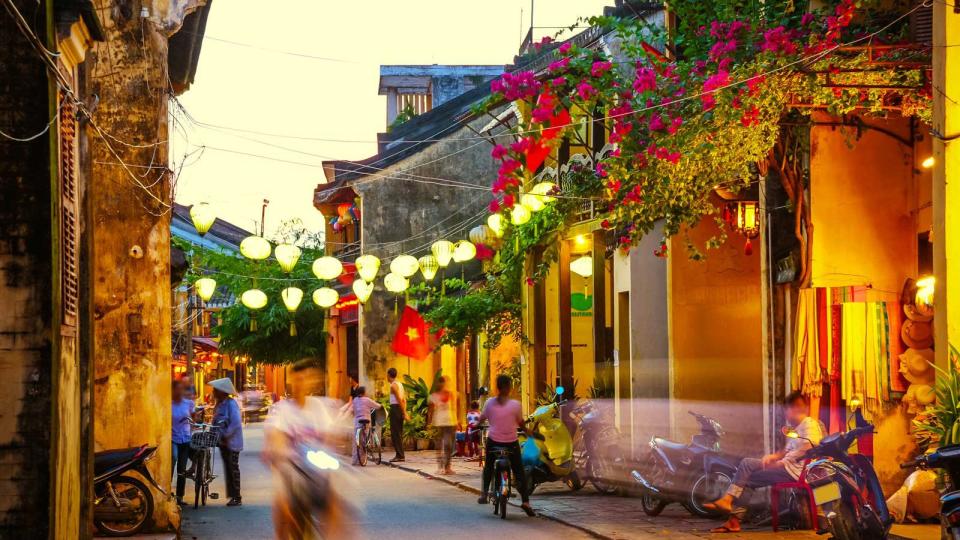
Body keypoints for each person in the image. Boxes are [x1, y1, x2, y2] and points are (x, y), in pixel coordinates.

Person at [706, 391, 824, 533]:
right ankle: (732, 517)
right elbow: (786, 451)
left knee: (747, 463)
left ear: (795, 408)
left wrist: (780, 463)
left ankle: (728, 503)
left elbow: (810, 446)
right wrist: (773, 457)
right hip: (787, 467)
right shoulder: (797, 428)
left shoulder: (809, 424)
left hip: (793, 471)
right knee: (747, 477)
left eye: (787, 410)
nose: (786, 414)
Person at [264, 361, 351, 540]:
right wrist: (279, 449)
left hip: (316, 469)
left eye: (306, 379)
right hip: (291, 468)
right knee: (283, 507)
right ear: (291, 381)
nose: (301, 383)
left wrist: (336, 439)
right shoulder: (282, 410)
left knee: (337, 505)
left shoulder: (320, 407)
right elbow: (275, 436)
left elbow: (331, 433)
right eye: (298, 379)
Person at [477, 374, 535, 517]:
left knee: (489, 467)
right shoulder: (515, 405)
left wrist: (477, 424)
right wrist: (528, 432)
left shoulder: (489, 403)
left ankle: (484, 494)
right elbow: (521, 423)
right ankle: (526, 502)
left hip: (494, 442)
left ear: (497, 387)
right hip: (511, 443)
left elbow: (482, 418)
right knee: (519, 471)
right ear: (509, 387)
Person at [209, 377, 244, 507]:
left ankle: (237, 496)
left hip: (232, 442)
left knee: (233, 468)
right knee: (228, 469)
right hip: (223, 442)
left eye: (215, 390)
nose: (213, 392)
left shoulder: (231, 404)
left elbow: (235, 423)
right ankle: (233, 496)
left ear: (222, 391)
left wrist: (226, 437)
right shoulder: (220, 404)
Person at [171, 379, 194, 505]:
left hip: (185, 438)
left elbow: (193, 417)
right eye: (177, 389)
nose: (180, 391)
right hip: (173, 438)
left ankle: (180, 496)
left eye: (181, 389)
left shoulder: (188, 403)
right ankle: (167, 492)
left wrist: (193, 424)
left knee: (182, 469)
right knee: (173, 458)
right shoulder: (169, 404)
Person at [428, 376, 457, 474]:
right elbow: (430, 410)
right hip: (439, 422)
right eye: (443, 383)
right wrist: (429, 422)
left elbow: (453, 408)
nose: (444, 385)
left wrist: (456, 420)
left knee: (448, 444)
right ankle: (440, 466)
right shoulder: (434, 396)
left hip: (449, 421)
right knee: (439, 445)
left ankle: (447, 466)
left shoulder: (451, 394)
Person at [349, 386, 383, 465]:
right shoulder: (367, 400)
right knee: (365, 438)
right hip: (366, 420)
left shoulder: (355, 400)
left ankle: (355, 461)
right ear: (364, 393)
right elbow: (378, 406)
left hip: (358, 422)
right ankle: (364, 457)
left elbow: (352, 410)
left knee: (356, 441)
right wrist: (381, 406)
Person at [387, 368, 409, 462]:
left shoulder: (393, 386)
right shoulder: (400, 384)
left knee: (395, 433)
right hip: (399, 408)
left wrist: (404, 412)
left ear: (388, 375)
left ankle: (399, 455)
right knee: (398, 432)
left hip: (396, 408)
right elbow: (404, 400)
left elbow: (399, 399)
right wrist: (404, 410)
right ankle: (400, 454)